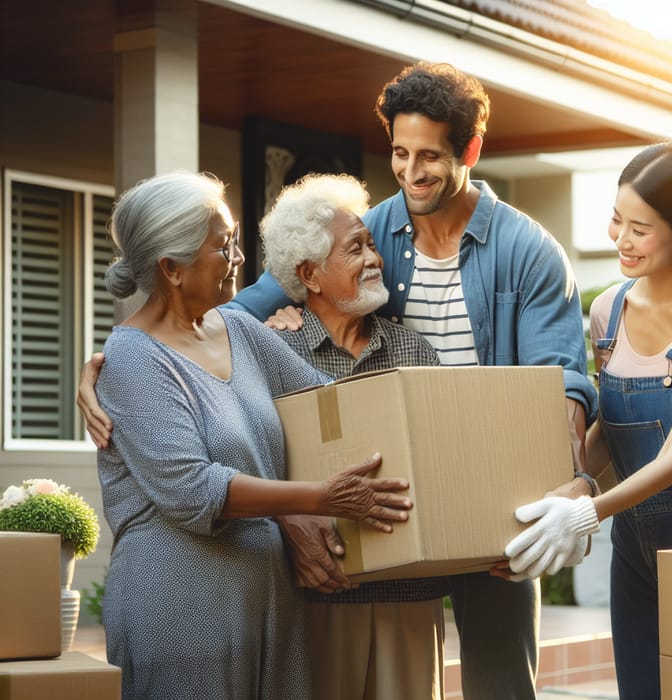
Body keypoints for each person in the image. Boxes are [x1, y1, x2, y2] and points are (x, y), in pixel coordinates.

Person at [229, 62, 598, 699]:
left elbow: (559, 387)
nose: (410, 172)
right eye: (399, 153)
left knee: (502, 687)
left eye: (430, 156)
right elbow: (233, 314)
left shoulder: (529, 252)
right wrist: (126, 355)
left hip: (495, 497)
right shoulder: (370, 233)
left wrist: (563, 498)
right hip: (397, 495)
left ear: (471, 150)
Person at [79, 172, 449, 699]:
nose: (238, 259)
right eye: (223, 246)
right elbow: (195, 490)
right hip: (181, 612)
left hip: (272, 605)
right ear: (172, 268)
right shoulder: (133, 363)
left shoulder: (240, 331)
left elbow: (331, 399)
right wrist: (319, 497)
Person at [503, 141, 672, 700]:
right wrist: (571, 487)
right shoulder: (608, 310)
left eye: (642, 228)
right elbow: (613, 432)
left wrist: (583, 512)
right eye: (618, 220)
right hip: (632, 545)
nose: (622, 240)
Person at [250, 172, 449, 700]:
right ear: (310, 275)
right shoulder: (276, 350)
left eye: (372, 245)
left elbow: (443, 462)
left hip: (411, 592)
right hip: (319, 592)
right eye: (354, 248)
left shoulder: (414, 351)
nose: (374, 259)